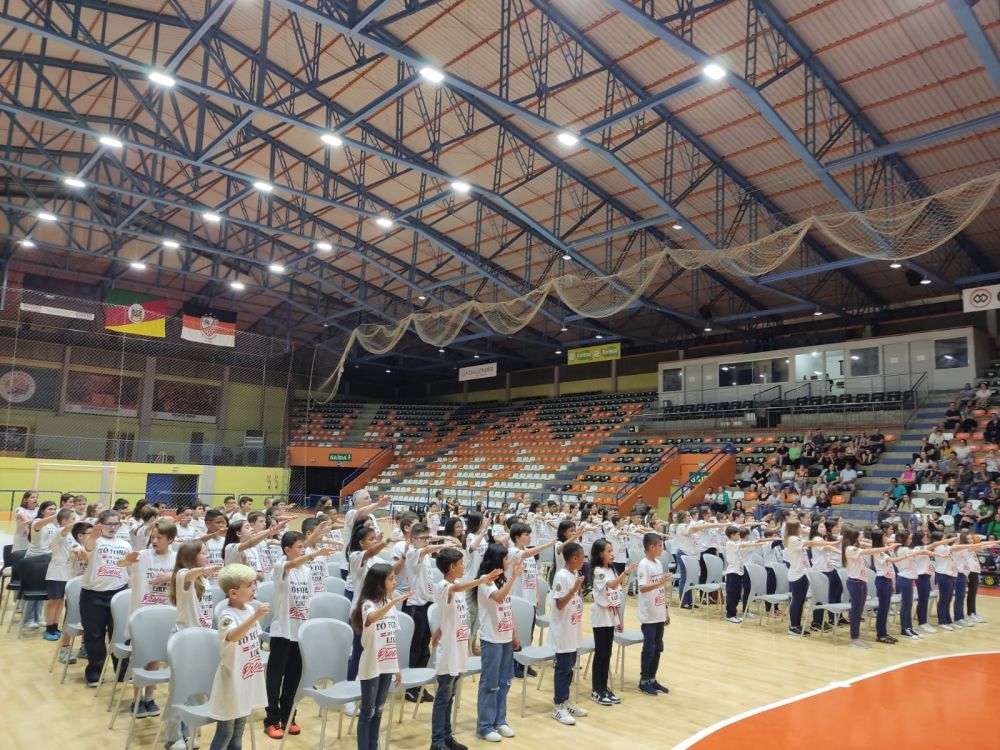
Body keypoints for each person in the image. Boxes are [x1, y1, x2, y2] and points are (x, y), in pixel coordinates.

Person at [263, 531, 336, 739]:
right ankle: (271, 720)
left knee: (294, 678)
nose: (303, 550)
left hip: (300, 632)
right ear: (287, 550)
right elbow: (288, 566)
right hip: (282, 632)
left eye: (305, 547)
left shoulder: (306, 571)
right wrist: (314, 553)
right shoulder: (280, 566)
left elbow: (309, 601)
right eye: (299, 547)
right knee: (275, 679)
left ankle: (288, 716)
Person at [430, 547, 501, 750]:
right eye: (461, 563)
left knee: (450, 695)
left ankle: (446, 736)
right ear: (452, 567)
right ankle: (436, 741)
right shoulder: (444, 585)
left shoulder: (457, 584)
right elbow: (454, 592)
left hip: (459, 647)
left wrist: (439, 627)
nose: (463, 566)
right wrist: (482, 580)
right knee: (443, 697)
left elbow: (448, 614)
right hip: (448, 651)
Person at [207, 564, 269, 750]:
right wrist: (255, 617)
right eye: (249, 585)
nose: (254, 588)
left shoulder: (249, 610)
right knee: (225, 733)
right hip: (231, 682)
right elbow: (233, 636)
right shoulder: (227, 615)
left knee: (239, 730)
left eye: (254, 584)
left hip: (246, 678)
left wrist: (254, 616)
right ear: (233, 593)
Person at [353, 563, 411, 750]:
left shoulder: (388, 604)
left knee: (378, 710)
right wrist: (393, 602)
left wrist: (396, 667)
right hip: (371, 665)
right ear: (379, 582)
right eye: (391, 578)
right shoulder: (367, 604)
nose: (395, 582)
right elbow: (371, 618)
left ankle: (373, 745)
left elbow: (391, 639)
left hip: (387, 663)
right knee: (367, 712)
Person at [79, 509, 133, 687]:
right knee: (94, 635)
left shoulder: (125, 545)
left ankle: (122, 671)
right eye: (108, 524)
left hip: (119, 593)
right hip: (93, 594)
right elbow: (88, 547)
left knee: (120, 634)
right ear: (100, 525)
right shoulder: (95, 541)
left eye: (116, 524)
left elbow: (129, 571)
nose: (112, 527)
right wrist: (93, 535)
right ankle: (95, 671)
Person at [476, 542, 521, 743]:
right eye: (504, 559)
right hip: (491, 639)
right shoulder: (485, 582)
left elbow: (507, 607)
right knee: (490, 684)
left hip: (505, 638)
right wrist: (513, 578)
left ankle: (499, 720)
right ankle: (484, 726)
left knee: (505, 682)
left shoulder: (502, 580)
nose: (507, 562)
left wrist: (515, 632)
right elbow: (498, 598)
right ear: (496, 560)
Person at [589, 539, 634, 706]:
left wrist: (619, 620)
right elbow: (613, 585)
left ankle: (604, 687)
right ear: (600, 554)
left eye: (612, 550)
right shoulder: (598, 571)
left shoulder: (611, 570)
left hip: (610, 615)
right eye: (609, 551)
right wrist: (626, 573)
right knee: (600, 653)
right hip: (600, 616)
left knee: (608, 653)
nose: (612, 553)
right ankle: (596, 689)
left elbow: (615, 596)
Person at [549, 541, 589, 725]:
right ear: (574, 558)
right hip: (563, 630)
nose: (584, 560)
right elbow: (559, 604)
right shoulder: (562, 576)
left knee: (570, 667)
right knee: (563, 668)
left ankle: (566, 701)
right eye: (582, 557)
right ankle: (558, 706)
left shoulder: (574, 574)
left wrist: (578, 590)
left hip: (573, 628)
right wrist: (574, 590)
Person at [841, 528, 898, 649]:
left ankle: (857, 637)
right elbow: (869, 551)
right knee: (856, 612)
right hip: (855, 582)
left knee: (859, 610)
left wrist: (886, 545)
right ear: (853, 537)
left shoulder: (855, 547)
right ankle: (854, 639)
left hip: (861, 582)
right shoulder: (850, 549)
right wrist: (887, 548)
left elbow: (869, 545)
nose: (861, 537)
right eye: (858, 535)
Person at [783, 520, 839, 637]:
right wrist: (832, 543)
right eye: (799, 526)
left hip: (803, 573)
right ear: (795, 528)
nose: (801, 528)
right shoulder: (793, 539)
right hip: (797, 574)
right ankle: (793, 626)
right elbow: (811, 543)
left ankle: (797, 625)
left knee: (801, 601)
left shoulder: (796, 538)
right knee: (797, 601)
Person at [636, 532, 670, 696]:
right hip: (649, 614)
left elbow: (660, 588)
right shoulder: (644, 565)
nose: (661, 548)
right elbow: (642, 588)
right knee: (649, 648)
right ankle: (643, 681)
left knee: (658, 647)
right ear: (651, 547)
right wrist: (660, 582)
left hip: (659, 612)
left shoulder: (658, 563)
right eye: (660, 545)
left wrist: (666, 610)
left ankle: (652, 678)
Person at [42, 508, 82, 640]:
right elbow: (66, 529)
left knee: (60, 601)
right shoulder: (60, 531)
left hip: (68, 573)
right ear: (64, 521)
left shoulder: (72, 535)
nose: (75, 521)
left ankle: (55, 626)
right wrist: (82, 520)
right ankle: (48, 628)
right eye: (72, 518)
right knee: (53, 601)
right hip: (57, 573)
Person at [723, 526, 770, 625]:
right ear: (732, 535)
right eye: (738, 534)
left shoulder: (735, 543)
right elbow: (743, 544)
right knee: (732, 595)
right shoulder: (730, 543)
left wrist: (761, 541)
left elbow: (745, 544)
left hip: (738, 571)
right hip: (732, 572)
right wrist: (761, 543)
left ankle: (734, 614)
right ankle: (730, 615)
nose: (739, 536)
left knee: (736, 595)